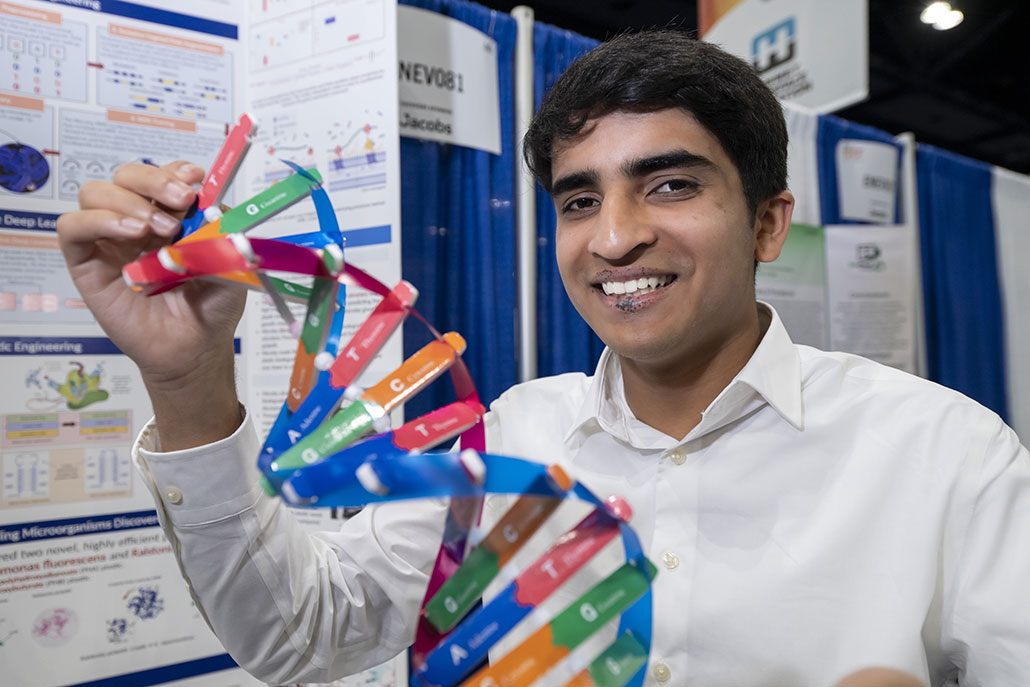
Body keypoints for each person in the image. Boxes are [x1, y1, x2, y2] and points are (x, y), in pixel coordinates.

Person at [56, 30, 1028, 687]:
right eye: (577, 200)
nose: (612, 239)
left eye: (670, 185)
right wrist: (187, 383)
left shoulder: (946, 458)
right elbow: (296, 633)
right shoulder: (508, 439)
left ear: (769, 223)